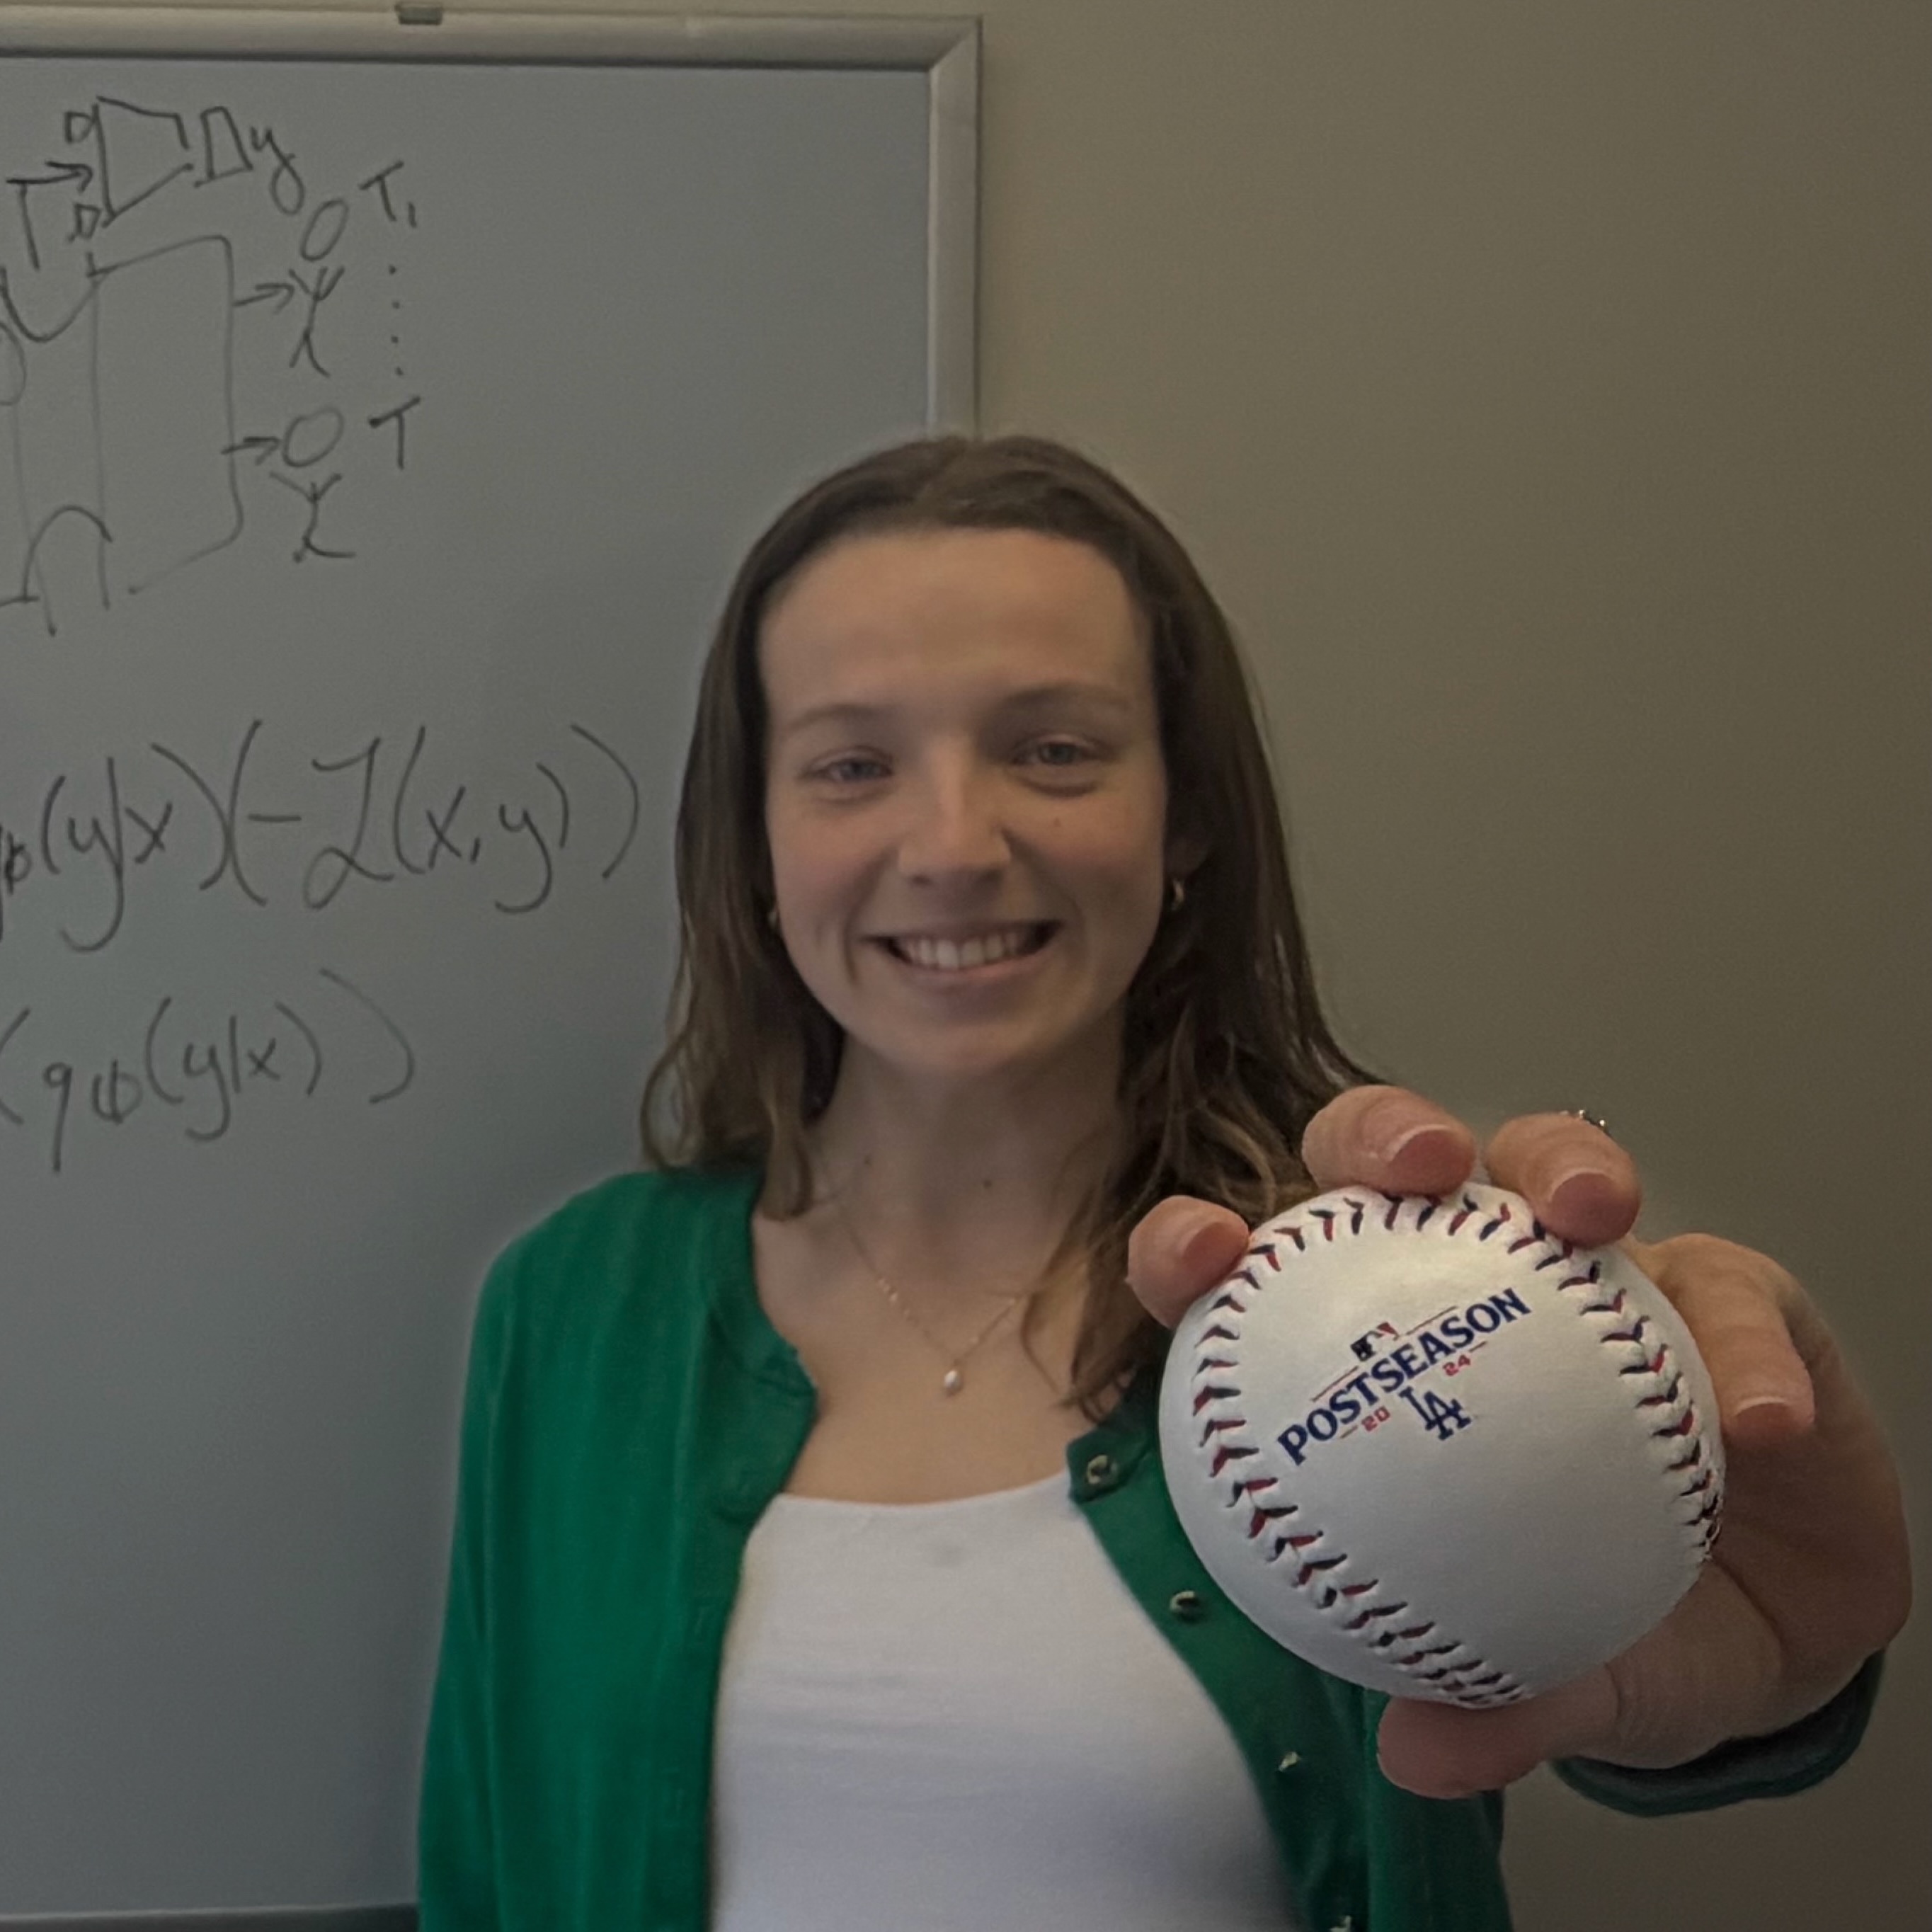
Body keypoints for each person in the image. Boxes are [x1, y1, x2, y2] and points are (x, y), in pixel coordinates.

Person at [417, 435, 1909, 1931]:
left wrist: (1757, 1655)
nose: (952, 845)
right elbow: (490, 1863)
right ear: (754, 836)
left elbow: (1639, 1687)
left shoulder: (1394, 1302)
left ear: (1185, 812)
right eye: (853, 765)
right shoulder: (575, 1306)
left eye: (1053, 750)